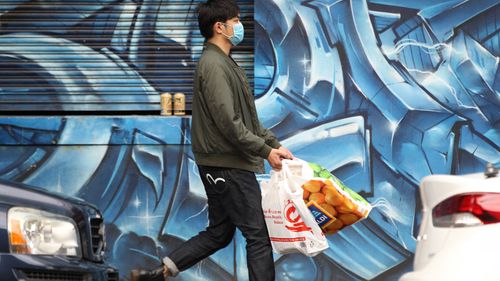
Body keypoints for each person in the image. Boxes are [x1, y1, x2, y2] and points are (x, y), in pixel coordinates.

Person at [130, 0, 293, 280]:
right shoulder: (214, 65)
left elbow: (248, 120)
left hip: (226, 163)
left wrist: (273, 144)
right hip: (228, 165)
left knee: (219, 233)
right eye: (236, 20)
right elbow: (228, 122)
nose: (240, 26)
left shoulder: (224, 63)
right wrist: (264, 151)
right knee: (257, 235)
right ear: (220, 26)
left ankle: (157, 274)